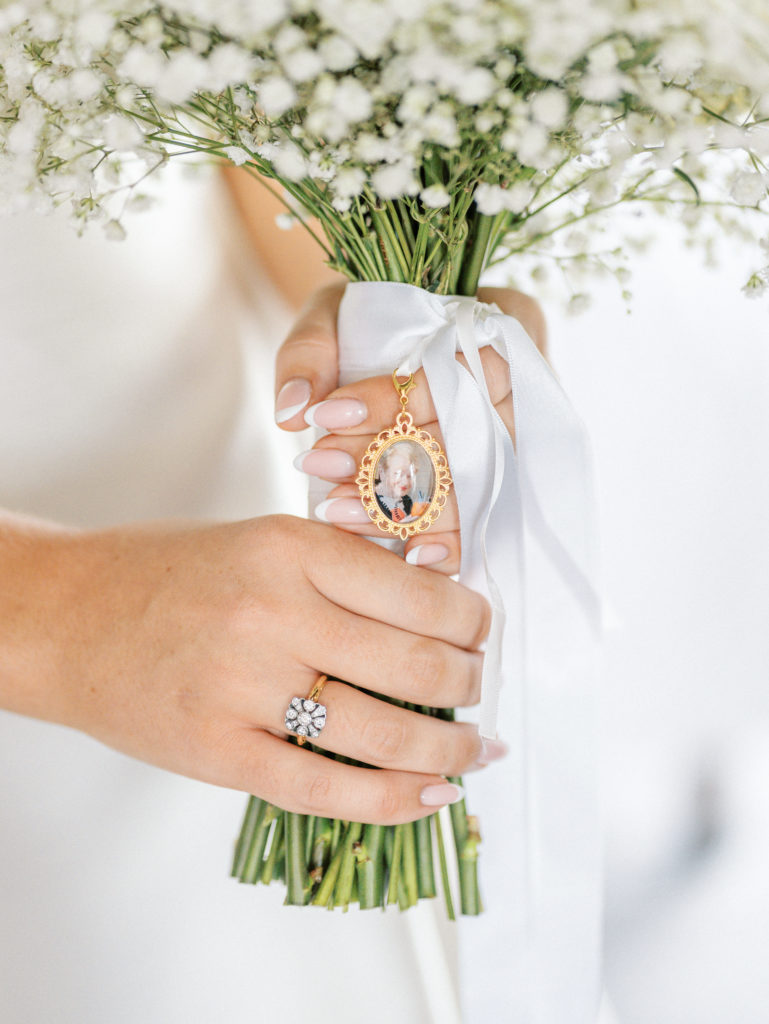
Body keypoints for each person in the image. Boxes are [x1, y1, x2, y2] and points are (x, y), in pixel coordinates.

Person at [0, 166, 541, 1023]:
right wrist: (64, 617)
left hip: (265, 649)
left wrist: (423, 339)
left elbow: (287, 213)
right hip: (72, 769)